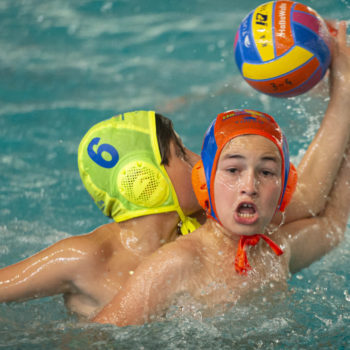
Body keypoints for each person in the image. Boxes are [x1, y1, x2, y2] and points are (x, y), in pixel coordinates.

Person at [0, 21, 349, 321]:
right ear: (146, 183)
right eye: (182, 154)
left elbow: (311, 202)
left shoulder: (219, 228)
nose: (200, 161)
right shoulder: (85, 257)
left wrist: (343, 92)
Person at [93, 108, 350, 326]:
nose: (249, 185)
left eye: (267, 172)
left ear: (285, 188)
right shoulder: (177, 263)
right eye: (233, 170)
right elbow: (98, 336)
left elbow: (332, 225)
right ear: (204, 181)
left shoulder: (277, 251)